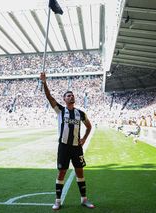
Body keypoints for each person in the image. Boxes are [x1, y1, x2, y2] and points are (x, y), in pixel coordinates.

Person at [40, 72, 95, 210]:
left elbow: (89, 126)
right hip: (64, 147)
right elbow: (49, 97)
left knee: (80, 171)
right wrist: (44, 82)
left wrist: (84, 138)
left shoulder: (80, 113)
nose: (71, 96)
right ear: (64, 99)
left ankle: (84, 199)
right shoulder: (60, 110)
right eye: (68, 95)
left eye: (72, 95)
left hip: (77, 147)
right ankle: (58, 200)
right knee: (62, 172)